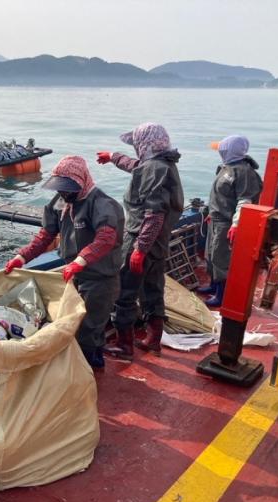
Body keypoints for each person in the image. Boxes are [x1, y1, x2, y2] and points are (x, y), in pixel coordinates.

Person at [4, 156, 124, 370]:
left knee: (90, 326)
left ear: (81, 182)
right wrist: (21, 257)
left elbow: (106, 238)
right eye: (60, 188)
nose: (63, 193)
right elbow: (45, 236)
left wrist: (80, 261)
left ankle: (88, 368)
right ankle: (91, 359)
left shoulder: (102, 204)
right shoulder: (60, 203)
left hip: (101, 277)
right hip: (75, 275)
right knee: (74, 323)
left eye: (68, 189)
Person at [96, 123, 184, 361]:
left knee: (124, 290)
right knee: (153, 288)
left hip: (141, 239)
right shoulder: (163, 164)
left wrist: (140, 249)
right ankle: (153, 340)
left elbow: (154, 214)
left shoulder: (154, 168)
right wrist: (113, 157)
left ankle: (124, 345)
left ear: (145, 143)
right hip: (160, 242)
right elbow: (137, 167)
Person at [200, 135, 262, 307]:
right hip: (216, 218)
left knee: (221, 257)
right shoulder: (226, 167)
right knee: (211, 254)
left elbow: (245, 201)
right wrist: (211, 212)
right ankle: (213, 285)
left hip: (226, 222)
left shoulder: (244, 172)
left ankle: (222, 294)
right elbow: (220, 195)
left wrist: (236, 224)